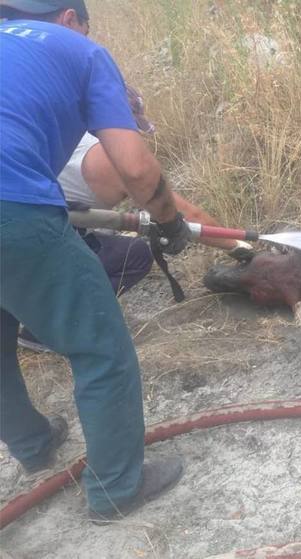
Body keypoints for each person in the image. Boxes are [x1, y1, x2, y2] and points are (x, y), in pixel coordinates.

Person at [0, 0, 186, 522]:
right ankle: (117, 488)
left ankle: (34, 447)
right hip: (10, 206)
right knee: (100, 344)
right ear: (68, 19)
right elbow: (133, 166)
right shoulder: (83, 51)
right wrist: (169, 222)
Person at [16, 85, 252, 352]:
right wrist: (241, 248)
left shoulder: (74, 133)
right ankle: (46, 328)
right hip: (27, 243)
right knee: (123, 263)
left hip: (38, 229)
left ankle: (28, 303)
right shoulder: (107, 161)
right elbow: (185, 215)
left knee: (132, 254)